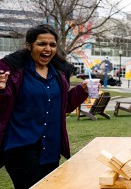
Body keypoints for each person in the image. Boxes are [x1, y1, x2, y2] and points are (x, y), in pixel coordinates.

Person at [0, 24, 89, 189]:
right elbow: (3, 107)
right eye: (41, 44)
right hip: (21, 150)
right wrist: (1, 91)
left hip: (51, 150)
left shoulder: (58, 74)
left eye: (52, 45)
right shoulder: (15, 74)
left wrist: (82, 90)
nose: (47, 48)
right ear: (29, 45)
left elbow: (63, 106)